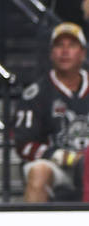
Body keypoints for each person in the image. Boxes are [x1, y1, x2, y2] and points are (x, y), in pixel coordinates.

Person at [15, 22, 89, 202]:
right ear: (51, 53)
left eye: (71, 45)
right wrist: (60, 156)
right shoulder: (36, 93)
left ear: (83, 53)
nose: (65, 51)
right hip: (58, 165)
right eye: (59, 45)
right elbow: (23, 144)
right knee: (38, 172)